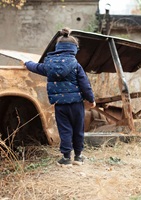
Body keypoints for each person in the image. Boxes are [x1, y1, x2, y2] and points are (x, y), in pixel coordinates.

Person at [24, 28, 96, 167]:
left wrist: (27, 64)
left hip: (60, 105)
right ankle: (78, 157)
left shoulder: (49, 65)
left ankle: (66, 158)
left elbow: (36, 67)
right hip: (76, 104)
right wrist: (91, 99)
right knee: (78, 129)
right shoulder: (76, 65)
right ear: (74, 49)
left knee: (65, 130)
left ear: (57, 48)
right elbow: (85, 84)